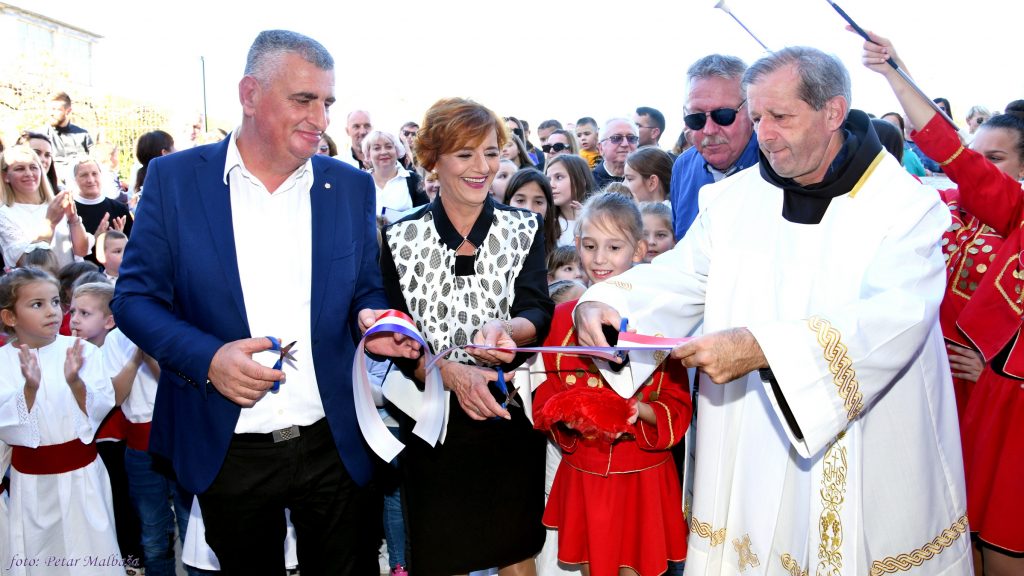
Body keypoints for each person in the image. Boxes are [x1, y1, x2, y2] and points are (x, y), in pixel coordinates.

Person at [574, 46, 971, 575]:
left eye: (781, 117)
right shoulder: (736, 199)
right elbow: (683, 275)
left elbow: (896, 317)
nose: (765, 134)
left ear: (833, 112)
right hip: (750, 430)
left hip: (866, 433)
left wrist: (764, 349)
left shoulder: (903, 206)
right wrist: (609, 301)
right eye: (757, 117)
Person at [110, 30, 420, 575]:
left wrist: (372, 320)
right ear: (250, 94)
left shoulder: (350, 186)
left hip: (335, 441)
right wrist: (208, 358)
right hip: (228, 445)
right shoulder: (175, 179)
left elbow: (365, 288)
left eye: (327, 102)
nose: (321, 119)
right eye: (304, 100)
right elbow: (134, 299)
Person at [861, 30, 1024, 576]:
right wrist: (895, 74)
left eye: (995, 158)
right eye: (979, 158)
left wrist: (998, 367)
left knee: (991, 530)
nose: (979, 168)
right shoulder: (945, 206)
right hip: (933, 387)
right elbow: (942, 154)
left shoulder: (1013, 216)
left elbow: (954, 153)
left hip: (991, 401)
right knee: (943, 525)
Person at [380, 97, 553, 576]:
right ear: (433, 160)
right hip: (432, 421)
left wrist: (509, 332)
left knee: (516, 547)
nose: (482, 167)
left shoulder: (524, 227)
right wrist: (447, 372)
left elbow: (537, 307)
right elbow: (398, 337)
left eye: (491, 152)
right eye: (465, 154)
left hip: (507, 413)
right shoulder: (400, 237)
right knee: (444, 552)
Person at [534, 192, 690, 576]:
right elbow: (546, 389)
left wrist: (636, 410)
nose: (600, 258)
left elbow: (677, 402)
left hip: (643, 476)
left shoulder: (662, 318)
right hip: (584, 473)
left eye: (614, 247)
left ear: (639, 250)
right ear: (576, 245)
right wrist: (569, 412)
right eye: (590, 246)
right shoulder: (563, 317)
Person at [0, 267, 120, 575]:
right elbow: (7, 425)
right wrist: (29, 388)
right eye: (37, 304)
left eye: (55, 302)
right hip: (34, 486)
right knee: (41, 558)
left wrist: (75, 382)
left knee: (92, 556)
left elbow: (100, 406)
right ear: (10, 317)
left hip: (83, 478)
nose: (52, 311)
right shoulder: (3, 363)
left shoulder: (82, 351)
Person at [670, 54, 760, 240]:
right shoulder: (683, 167)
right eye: (696, 118)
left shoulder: (780, 164)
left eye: (723, 115)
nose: (709, 130)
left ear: (752, 111)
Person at [0, 145, 90, 269]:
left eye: (33, 167)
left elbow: (81, 251)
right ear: (5, 176)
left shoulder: (56, 204)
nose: (29, 173)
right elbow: (28, 262)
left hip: (72, 278)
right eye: (20, 169)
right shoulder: (4, 214)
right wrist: (50, 223)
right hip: (38, 281)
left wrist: (73, 220)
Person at [72, 158, 133, 257]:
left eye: (94, 174)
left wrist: (120, 241)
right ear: (75, 180)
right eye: (84, 175)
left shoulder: (119, 209)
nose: (91, 180)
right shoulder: (70, 211)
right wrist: (94, 239)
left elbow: (133, 247)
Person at [363, 130, 427, 222]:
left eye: (388, 147)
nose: (383, 152)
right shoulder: (361, 183)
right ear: (368, 154)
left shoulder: (414, 180)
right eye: (377, 148)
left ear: (397, 151)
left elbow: (424, 217)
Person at [504, 167, 559, 257]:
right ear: (507, 203)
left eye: (538, 202)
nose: (529, 209)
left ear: (548, 209)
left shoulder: (557, 257)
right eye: (520, 200)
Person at [43, 91, 94, 186]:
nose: (51, 113)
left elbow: (94, 164)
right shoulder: (42, 136)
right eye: (49, 109)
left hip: (81, 185)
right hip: (52, 185)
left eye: (56, 109)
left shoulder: (83, 135)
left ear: (68, 111)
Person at [546, 155, 595, 247]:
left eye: (559, 177)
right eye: (548, 179)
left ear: (581, 180)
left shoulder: (599, 219)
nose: (551, 185)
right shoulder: (546, 222)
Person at [592, 118, 638, 189]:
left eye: (631, 138)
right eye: (616, 138)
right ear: (601, 148)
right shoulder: (588, 182)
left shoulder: (646, 178)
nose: (625, 144)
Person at [879, 112, 928, 176]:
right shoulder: (872, 157)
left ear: (901, 132)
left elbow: (923, 177)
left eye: (894, 125)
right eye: (884, 125)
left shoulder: (911, 156)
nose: (889, 128)